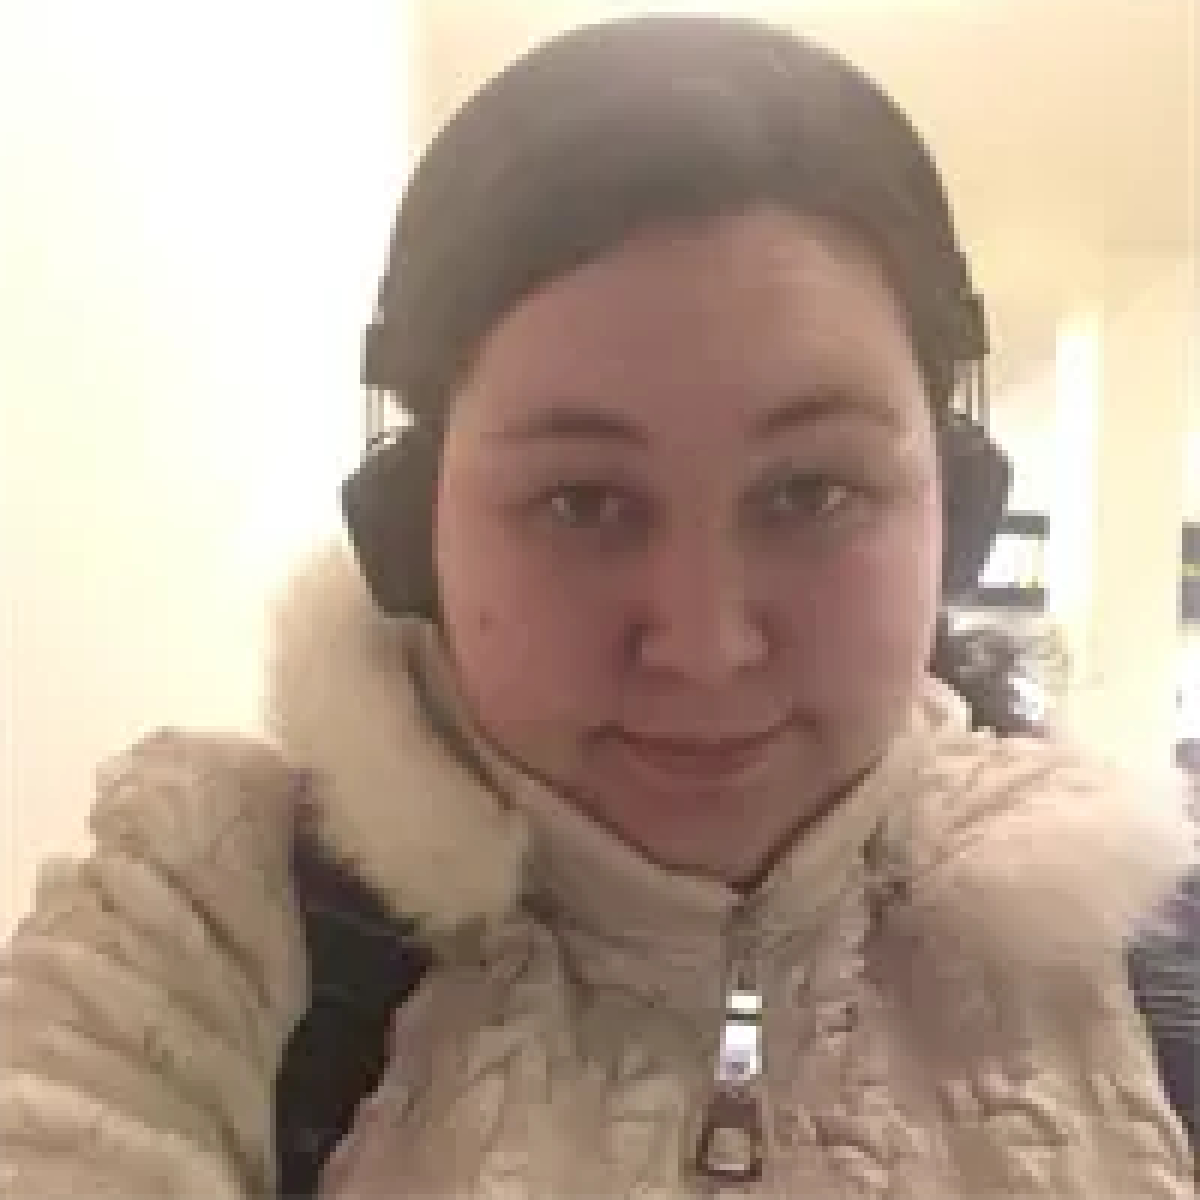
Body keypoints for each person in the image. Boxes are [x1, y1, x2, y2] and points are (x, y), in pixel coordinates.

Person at [2, 15, 1196, 1199]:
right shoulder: (204, 918)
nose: (706, 648)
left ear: (958, 505)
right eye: (582, 503)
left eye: (812, 493)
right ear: (412, 528)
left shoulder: (1154, 971)